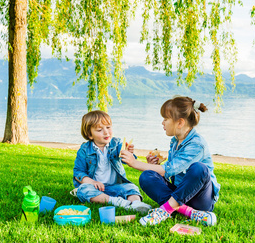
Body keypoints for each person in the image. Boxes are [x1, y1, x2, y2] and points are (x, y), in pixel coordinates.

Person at [121, 96, 221, 226]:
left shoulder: (197, 144)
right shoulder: (175, 141)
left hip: (200, 199)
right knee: (147, 176)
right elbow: (172, 170)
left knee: (199, 168)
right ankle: (189, 212)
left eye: (166, 119)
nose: (163, 122)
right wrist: (154, 166)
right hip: (180, 194)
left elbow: (167, 170)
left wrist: (134, 163)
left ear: (180, 122)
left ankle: (164, 211)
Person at [73, 110, 152, 213]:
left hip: (116, 187)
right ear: (90, 135)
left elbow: (126, 160)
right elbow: (78, 173)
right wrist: (93, 182)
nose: (106, 132)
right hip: (96, 189)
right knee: (83, 190)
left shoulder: (116, 143)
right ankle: (117, 202)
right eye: (99, 129)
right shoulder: (84, 150)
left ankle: (137, 204)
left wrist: (128, 153)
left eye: (108, 127)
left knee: (131, 187)